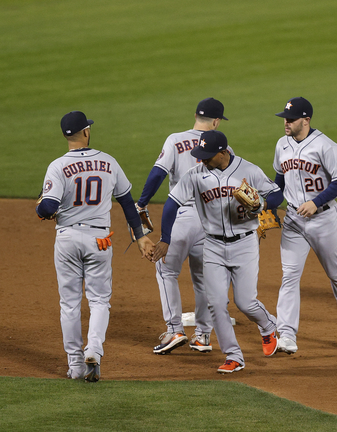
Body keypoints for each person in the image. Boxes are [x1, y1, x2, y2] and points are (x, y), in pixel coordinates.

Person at [149, 130, 284, 373]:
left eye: (208, 155)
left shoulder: (249, 170)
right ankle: (233, 356)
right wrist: (166, 239)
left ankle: (268, 326)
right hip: (212, 245)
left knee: (245, 302)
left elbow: (276, 194)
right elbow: (171, 204)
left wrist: (262, 204)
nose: (202, 160)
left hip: (244, 244)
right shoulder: (195, 175)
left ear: (223, 153)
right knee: (216, 302)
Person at [36, 111, 155, 382]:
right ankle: (94, 349)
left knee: (69, 304)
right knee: (99, 300)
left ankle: (75, 367)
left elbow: (48, 207)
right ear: (86, 132)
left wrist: (40, 205)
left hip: (67, 239)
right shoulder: (108, 161)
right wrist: (139, 237)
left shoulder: (57, 165)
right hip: (99, 240)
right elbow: (127, 201)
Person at [136, 98, 230, 355]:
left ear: (196, 116)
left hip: (181, 216)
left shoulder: (175, 140)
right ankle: (202, 336)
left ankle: (174, 329)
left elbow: (158, 174)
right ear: (216, 121)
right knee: (202, 279)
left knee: (165, 271)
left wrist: (142, 204)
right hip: (211, 221)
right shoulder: (222, 145)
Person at [272, 97, 337, 354]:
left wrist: (316, 201)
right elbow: (280, 182)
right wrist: (268, 206)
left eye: (291, 119)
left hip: (323, 218)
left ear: (306, 120)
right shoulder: (282, 144)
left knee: (335, 272)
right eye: (284, 118)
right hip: (293, 220)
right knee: (289, 276)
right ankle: (286, 333)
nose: (286, 123)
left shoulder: (326, 145)